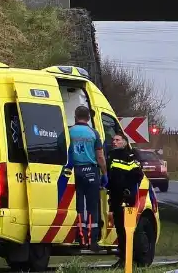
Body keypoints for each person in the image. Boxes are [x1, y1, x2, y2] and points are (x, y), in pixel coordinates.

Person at [68, 105, 106, 250]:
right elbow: (100, 156)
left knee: (78, 205)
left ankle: (80, 238)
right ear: (89, 118)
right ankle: (92, 241)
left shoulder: (69, 131)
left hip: (74, 171)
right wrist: (104, 173)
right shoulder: (93, 133)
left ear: (75, 116)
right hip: (91, 170)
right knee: (92, 206)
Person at [106, 133, 144, 267]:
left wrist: (128, 190)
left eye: (117, 140)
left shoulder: (131, 155)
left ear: (125, 141)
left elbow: (138, 175)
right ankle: (123, 258)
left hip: (128, 197)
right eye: (113, 140)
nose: (114, 142)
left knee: (128, 229)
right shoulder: (111, 155)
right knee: (120, 229)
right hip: (115, 197)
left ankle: (131, 260)